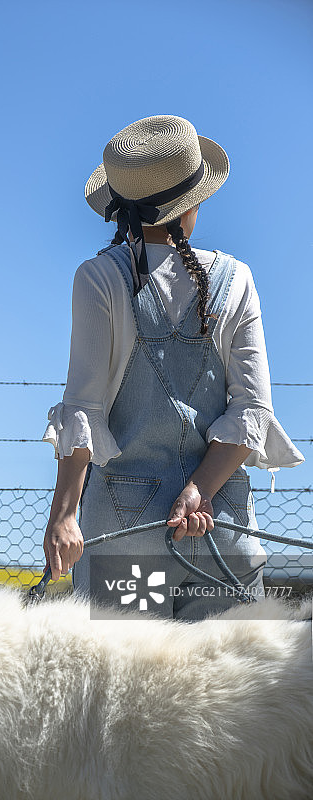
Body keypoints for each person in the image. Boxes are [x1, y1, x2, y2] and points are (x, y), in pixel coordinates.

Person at [42, 115, 304, 620]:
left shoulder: (100, 278)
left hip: (127, 537)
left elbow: (83, 409)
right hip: (219, 531)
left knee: (128, 693)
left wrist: (64, 517)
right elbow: (253, 409)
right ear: (192, 204)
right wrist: (198, 489)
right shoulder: (237, 279)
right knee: (223, 693)